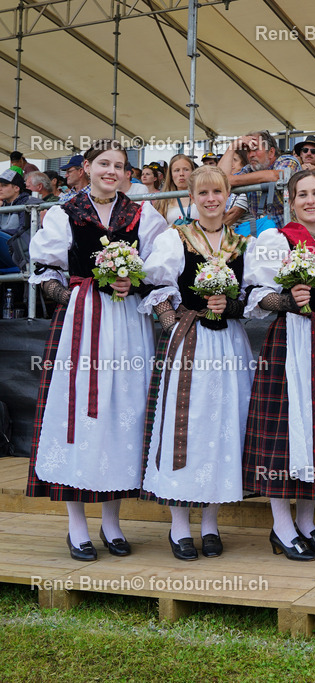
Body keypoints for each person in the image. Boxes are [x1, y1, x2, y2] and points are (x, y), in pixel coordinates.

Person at [25, 139, 167, 561]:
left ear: (127, 174)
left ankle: (112, 522)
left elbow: (161, 269)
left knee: (121, 414)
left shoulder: (142, 213)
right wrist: (72, 295)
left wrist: (133, 281)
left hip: (126, 323)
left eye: (120, 166)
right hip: (83, 323)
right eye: (104, 163)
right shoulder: (64, 212)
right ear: (87, 167)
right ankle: (76, 526)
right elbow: (47, 272)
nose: (112, 171)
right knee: (79, 415)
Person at [243, 170, 315, 561]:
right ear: (291, 201)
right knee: (288, 433)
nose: (310, 200)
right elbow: (259, 297)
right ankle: (281, 525)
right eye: (302, 194)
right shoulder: (278, 239)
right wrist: (292, 302)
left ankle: (307, 522)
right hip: (292, 342)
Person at [139, 166, 253, 560]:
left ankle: (211, 522)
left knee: (223, 425)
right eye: (202, 192)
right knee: (183, 426)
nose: (211, 199)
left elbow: (252, 300)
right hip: (192, 343)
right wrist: (175, 326)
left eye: (217, 192)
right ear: (191, 197)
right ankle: (179, 526)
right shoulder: (177, 239)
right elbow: (159, 290)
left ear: (226, 196)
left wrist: (230, 305)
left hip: (230, 346)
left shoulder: (242, 243)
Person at [218, 130, 304, 233]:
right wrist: (232, 147)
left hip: (294, 238)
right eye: (248, 151)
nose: (251, 155)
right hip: (265, 237)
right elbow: (218, 180)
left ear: (271, 152)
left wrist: (231, 180)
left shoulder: (287, 160)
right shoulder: (249, 169)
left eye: (255, 149)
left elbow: (278, 175)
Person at [0, 169, 43, 270]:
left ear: (16, 188)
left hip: (21, 251)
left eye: (4, 185)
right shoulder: (3, 204)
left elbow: (23, 231)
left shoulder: (27, 203)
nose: (0, 189)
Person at [154, 154, 197, 226]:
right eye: (177, 170)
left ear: (192, 172)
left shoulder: (202, 197)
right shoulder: (162, 201)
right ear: (171, 174)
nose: (181, 174)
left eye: (186, 169)